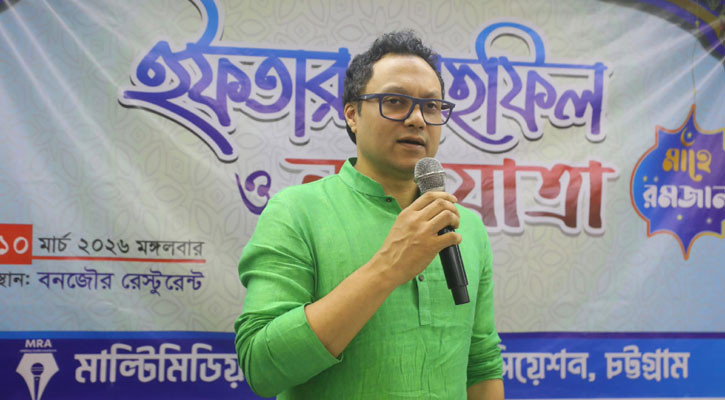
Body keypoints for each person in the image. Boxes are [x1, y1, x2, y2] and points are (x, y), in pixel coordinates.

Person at [234, 30, 503, 399]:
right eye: (395, 101)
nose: (417, 119)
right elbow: (262, 369)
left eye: (431, 106)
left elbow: (482, 365)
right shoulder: (295, 211)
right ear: (352, 115)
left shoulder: (465, 225)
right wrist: (389, 266)